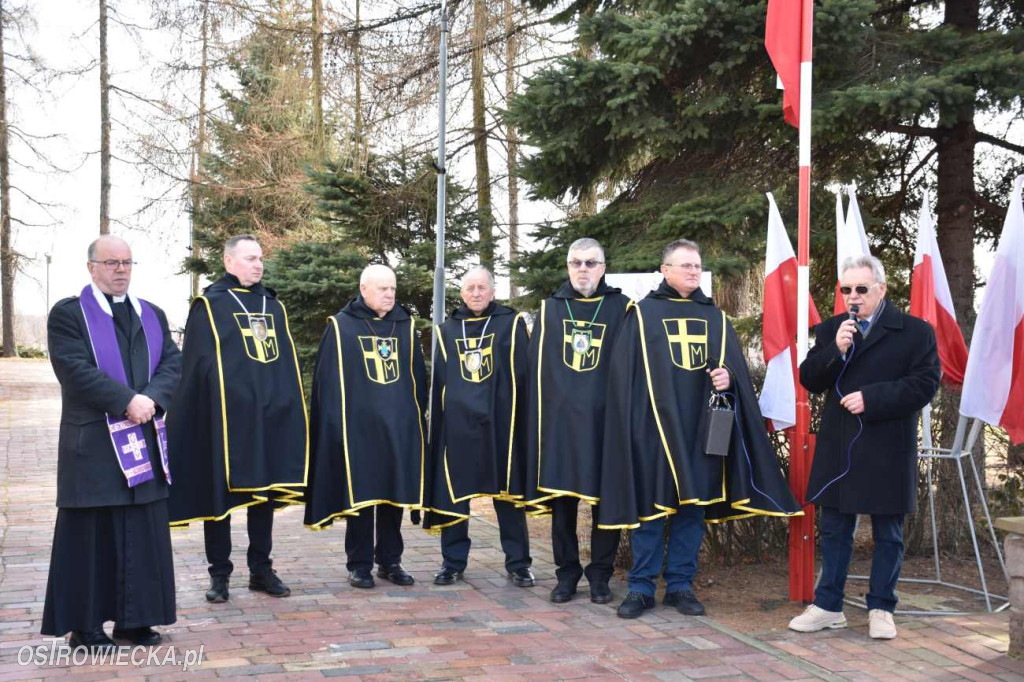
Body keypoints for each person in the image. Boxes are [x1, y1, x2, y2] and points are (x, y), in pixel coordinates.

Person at [598, 239, 801, 619]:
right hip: (654, 432)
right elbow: (623, 378)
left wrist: (729, 378)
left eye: (696, 266)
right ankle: (641, 588)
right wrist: (632, 431)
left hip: (704, 430)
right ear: (665, 270)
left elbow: (735, 371)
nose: (693, 272)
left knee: (693, 511)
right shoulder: (641, 316)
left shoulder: (716, 319)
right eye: (685, 265)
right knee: (651, 513)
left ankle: (679, 585)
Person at [789, 254, 939, 640]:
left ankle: (881, 607)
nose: (853, 297)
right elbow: (809, 379)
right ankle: (828, 606)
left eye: (861, 289)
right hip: (841, 447)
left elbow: (924, 385)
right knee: (835, 528)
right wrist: (835, 351)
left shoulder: (914, 331)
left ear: (881, 289)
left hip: (888, 444)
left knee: (888, 532)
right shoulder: (831, 330)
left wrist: (872, 398)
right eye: (846, 290)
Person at [42, 235, 181, 650]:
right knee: (92, 537)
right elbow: (74, 370)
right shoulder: (69, 315)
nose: (120, 269)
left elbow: (173, 362)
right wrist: (127, 401)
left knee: (141, 534)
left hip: (144, 439)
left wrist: (153, 399)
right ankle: (84, 627)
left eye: (126, 262)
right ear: (91, 267)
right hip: (95, 448)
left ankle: (134, 621)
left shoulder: (151, 314)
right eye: (111, 262)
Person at [168, 235, 308, 603]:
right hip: (225, 422)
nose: (258, 265)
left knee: (264, 495)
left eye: (260, 258)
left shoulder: (272, 305)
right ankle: (220, 575)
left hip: (266, 420)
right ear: (229, 262)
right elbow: (198, 367)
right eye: (250, 258)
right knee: (220, 498)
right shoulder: (209, 306)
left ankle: (261, 569)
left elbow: (281, 366)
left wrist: (284, 405)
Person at [304, 264, 427, 589]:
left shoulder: (404, 325)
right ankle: (358, 564)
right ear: (363, 289)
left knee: (393, 495)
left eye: (392, 289)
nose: (389, 294)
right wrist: (335, 426)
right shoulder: (341, 326)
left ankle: (390, 561)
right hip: (357, 429)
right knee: (361, 498)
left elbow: (417, 378)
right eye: (382, 288)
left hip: (397, 427)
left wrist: (416, 418)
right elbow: (328, 383)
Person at [522, 238, 630, 604]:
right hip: (562, 428)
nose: (583, 269)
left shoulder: (622, 309)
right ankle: (566, 575)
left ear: (603, 268)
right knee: (562, 505)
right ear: (568, 267)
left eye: (591, 263)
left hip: (605, 426)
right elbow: (537, 373)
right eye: (576, 263)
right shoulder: (550, 310)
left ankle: (600, 576)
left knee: (606, 504)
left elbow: (631, 369)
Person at [424, 266, 534, 587]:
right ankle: (452, 562)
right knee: (455, 495)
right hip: (459, 427)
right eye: (470, 287)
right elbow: (441, 383)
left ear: (492, 291)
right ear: (461, 293)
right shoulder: (447, 330)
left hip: (501, 424)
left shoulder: (510, 324)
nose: (475, 293)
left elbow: (522, 375)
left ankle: (519, 563)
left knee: (507, 494)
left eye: (481, 287)